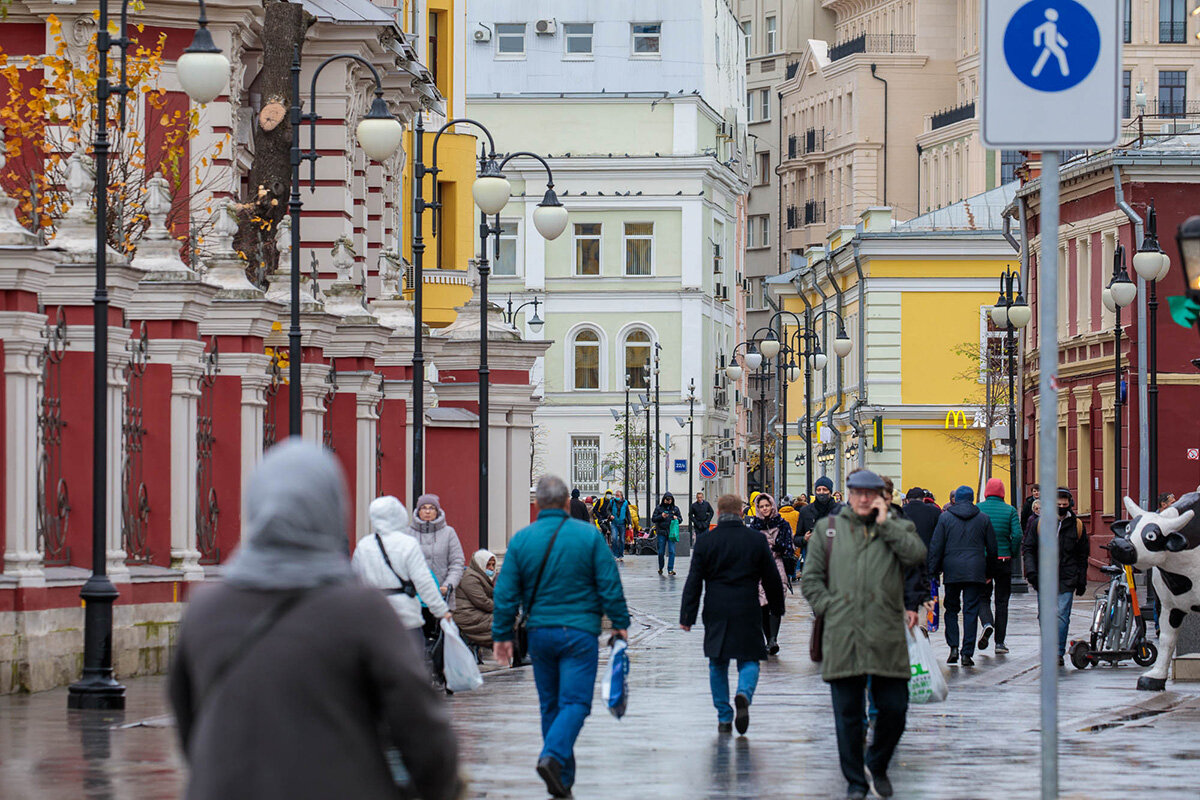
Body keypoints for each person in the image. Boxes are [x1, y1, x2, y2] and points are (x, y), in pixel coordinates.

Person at [168, 440, 461, 800]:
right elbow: (421, 728)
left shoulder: (206, 608)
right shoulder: (362, 612)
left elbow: (188, 721)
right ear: (333, 509)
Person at [492, 475, 630, 799]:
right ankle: (553, 757)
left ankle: (562, 780)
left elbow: (506, 592)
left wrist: (501, 634)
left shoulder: (522, 539)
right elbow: (609, 582)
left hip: (539, 632)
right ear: (568, 502)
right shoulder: (588, 536)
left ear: (537, 503)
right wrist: (620, 623)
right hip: (580, 633)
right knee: (577, 703)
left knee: (550, 704)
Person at [802, 470, 926, 800]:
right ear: (849, 495)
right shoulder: (827, 530)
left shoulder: (899, 528)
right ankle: (856, 783)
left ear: (881, 498)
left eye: (870, 494)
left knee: (895, 709)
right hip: (843, 636)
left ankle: (878, 763)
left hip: (886, 635)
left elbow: (915, 556)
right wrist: (830, 607)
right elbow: (811, 579)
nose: (863, 499)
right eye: (857, 493)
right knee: (847, 718)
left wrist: (886, 523)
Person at [680, 493, 785, 734]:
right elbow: (771, 578)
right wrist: (777, 608)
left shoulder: (706, 541)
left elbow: (694, 581)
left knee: (717, 663)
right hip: (747, 606)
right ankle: (743, 694)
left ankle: (724, 716)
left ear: (718, 512)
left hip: (716, 607)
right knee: (749, 658)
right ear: (741, 513)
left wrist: (687, 617)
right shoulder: (755, 540)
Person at [352, 495, 452, 652]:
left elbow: (355, 582)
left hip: (374, 614)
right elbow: (424, 581)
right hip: (405, 616)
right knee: (410, 665)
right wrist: (441, 610)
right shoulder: (407, 544)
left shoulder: (364, 545)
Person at [927, 485, 997, 667]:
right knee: (971, 610)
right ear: (972, 498)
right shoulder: (983, 519)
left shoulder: (945, 518)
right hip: (975, 570)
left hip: (952, 570)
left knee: (951, 610)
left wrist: (933, 571)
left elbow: (936, 546)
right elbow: (992, 548)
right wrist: (990, 572)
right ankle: (967, 653)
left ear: (955, 499)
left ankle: (953, 648)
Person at [1021, 487, 1090, 666]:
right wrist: (1032, 572)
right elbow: (1028, 549)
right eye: (1058, 504)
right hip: (1044, 577)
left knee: (1061, 615)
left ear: (1070, 504)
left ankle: (1057, 652)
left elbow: (1083, 555)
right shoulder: (1040, 524)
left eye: (1064, 504)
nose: (1061, 506)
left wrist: (1081, 579)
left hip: (1067, 577)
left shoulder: (1077, 525)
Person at [976, 478, 1023, 655]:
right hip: (1003, 560)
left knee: (983, 596)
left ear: (986, 491)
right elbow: (1017, 535)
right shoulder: (1010, 510)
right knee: (1002, 601)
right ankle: (1000, 643)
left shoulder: (978, 509)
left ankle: (987, 623)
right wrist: (1012, 552)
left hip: (984, 559)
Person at [409, 494, 466, 638]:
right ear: (418, 511)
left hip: (441, 594)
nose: (427, 511)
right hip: (414, 597)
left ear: (437, 512)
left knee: (439, 639)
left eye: (431, 508)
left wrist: (448, 585)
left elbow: (457, 562)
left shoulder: (448, 533)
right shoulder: (408, 533)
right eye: (424, 508)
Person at [748, 492, 792, 655]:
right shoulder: (754, 526)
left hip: (777, 566)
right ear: (757, 508)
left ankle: (773, 639)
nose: (765, 508)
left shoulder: (783, 524)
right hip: (759, 568)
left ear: (772, 506)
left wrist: (777, 547)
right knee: (762, 605)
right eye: (761, 506)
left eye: (767, 505)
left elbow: (788, 546)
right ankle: (768, 640)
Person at [454, 549, 496, 650]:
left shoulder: (480, 576)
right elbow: (482, 602)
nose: (491, 568)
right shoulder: (470, 578)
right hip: (467, 615)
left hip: (476, 612)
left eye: (493, 565)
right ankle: (518, 655)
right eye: (488, 565)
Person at [797, 476, 839, 545]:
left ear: (830, 492)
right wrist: (804, 539)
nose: (821, 492)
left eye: (825, 489)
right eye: (818, 490)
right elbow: (797, 538)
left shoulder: (840, 510)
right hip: (813, 553)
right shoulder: (805, 511)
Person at [651, 492, 684, 576]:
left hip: (671, 533)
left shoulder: (675, 509)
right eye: (667, 499)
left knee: (672, 551)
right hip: (661, 532)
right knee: (661, 552)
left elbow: (680, 519)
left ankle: (670, 569)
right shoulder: (659, 508)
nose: (668, 501)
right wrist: (661, 516)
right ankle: (661, 567)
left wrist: (677, 518)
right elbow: (654, 519)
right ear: (664, 499)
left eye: (670, 499)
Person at [609, 490, 630, 561]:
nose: (616, 497)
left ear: (621, 496)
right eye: (616, 495)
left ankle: (620, 555)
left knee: (622, 540)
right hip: (614, 523)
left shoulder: (625, 503)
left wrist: (630, 523)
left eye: (618, 495)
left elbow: (628, 513)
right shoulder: (612, 502)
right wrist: (610, 515)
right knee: (614, 538)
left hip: (622, 523)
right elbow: (608, 510)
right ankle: (615, 554)